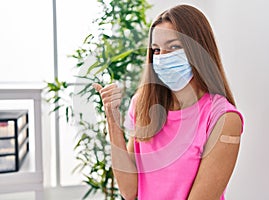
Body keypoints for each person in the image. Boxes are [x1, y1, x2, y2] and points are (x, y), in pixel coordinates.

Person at [93, 4, 244, 200]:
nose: (162, 58)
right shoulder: (142, 104)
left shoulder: (224, 118)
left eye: (174, 47)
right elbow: (130, 191)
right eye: (156, 50)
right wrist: (112, 120)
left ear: (198, 49)